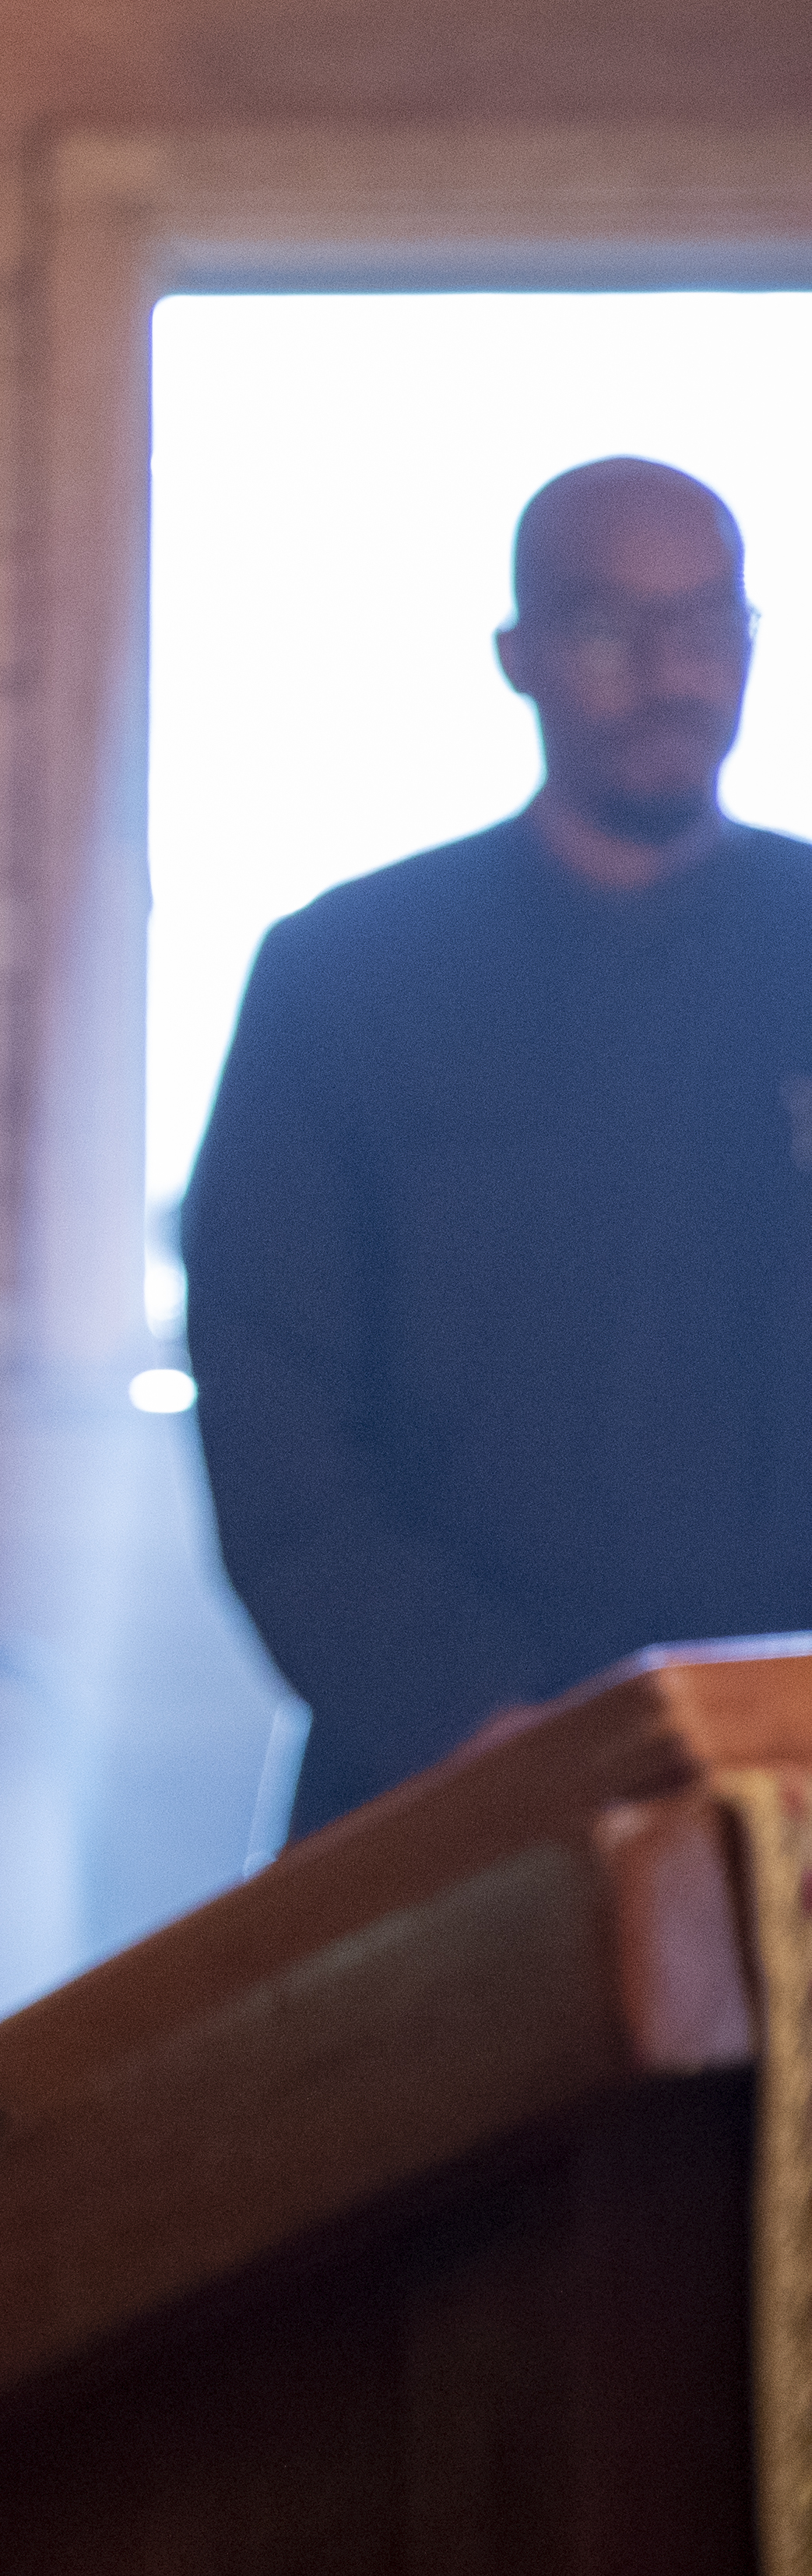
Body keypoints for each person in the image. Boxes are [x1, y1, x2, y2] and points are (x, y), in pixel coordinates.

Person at [191, 456, 812, 1832]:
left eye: (709, 626)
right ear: (518, 655)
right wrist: (487, 1727)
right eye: (610, 627)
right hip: (453, 1787)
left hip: (797, 1764)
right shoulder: (345, 979)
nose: (669, 672)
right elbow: (273, 1423)